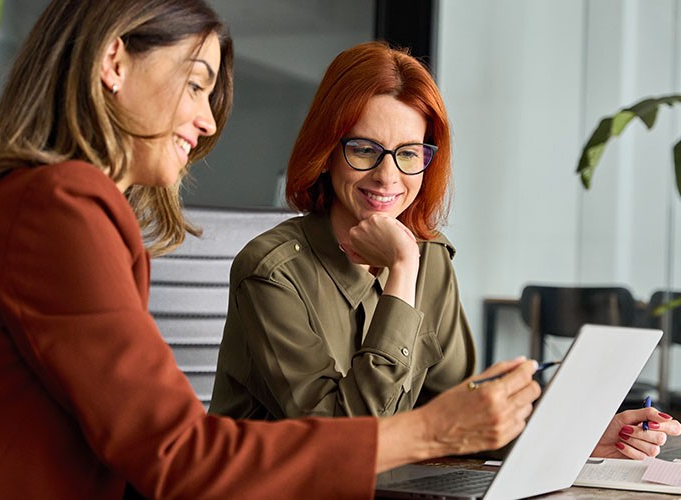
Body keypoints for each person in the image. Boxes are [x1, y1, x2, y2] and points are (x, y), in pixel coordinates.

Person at [0, 2, 548, 498]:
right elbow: (176, 453)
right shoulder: (57, 207)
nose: (206, 122)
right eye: (196, 82)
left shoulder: (49, 204)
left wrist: (547, 435)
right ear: (113, 62)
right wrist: (433, 431)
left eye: (409, 155)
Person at [209, 41, 680, 460]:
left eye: (409, 153)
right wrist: (401, 271)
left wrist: (579, 437)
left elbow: (457, 413)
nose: (388, 177)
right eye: (364, 149)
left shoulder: (430, 257)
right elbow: (347, 440)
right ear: (327, 150)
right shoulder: (272, 271)